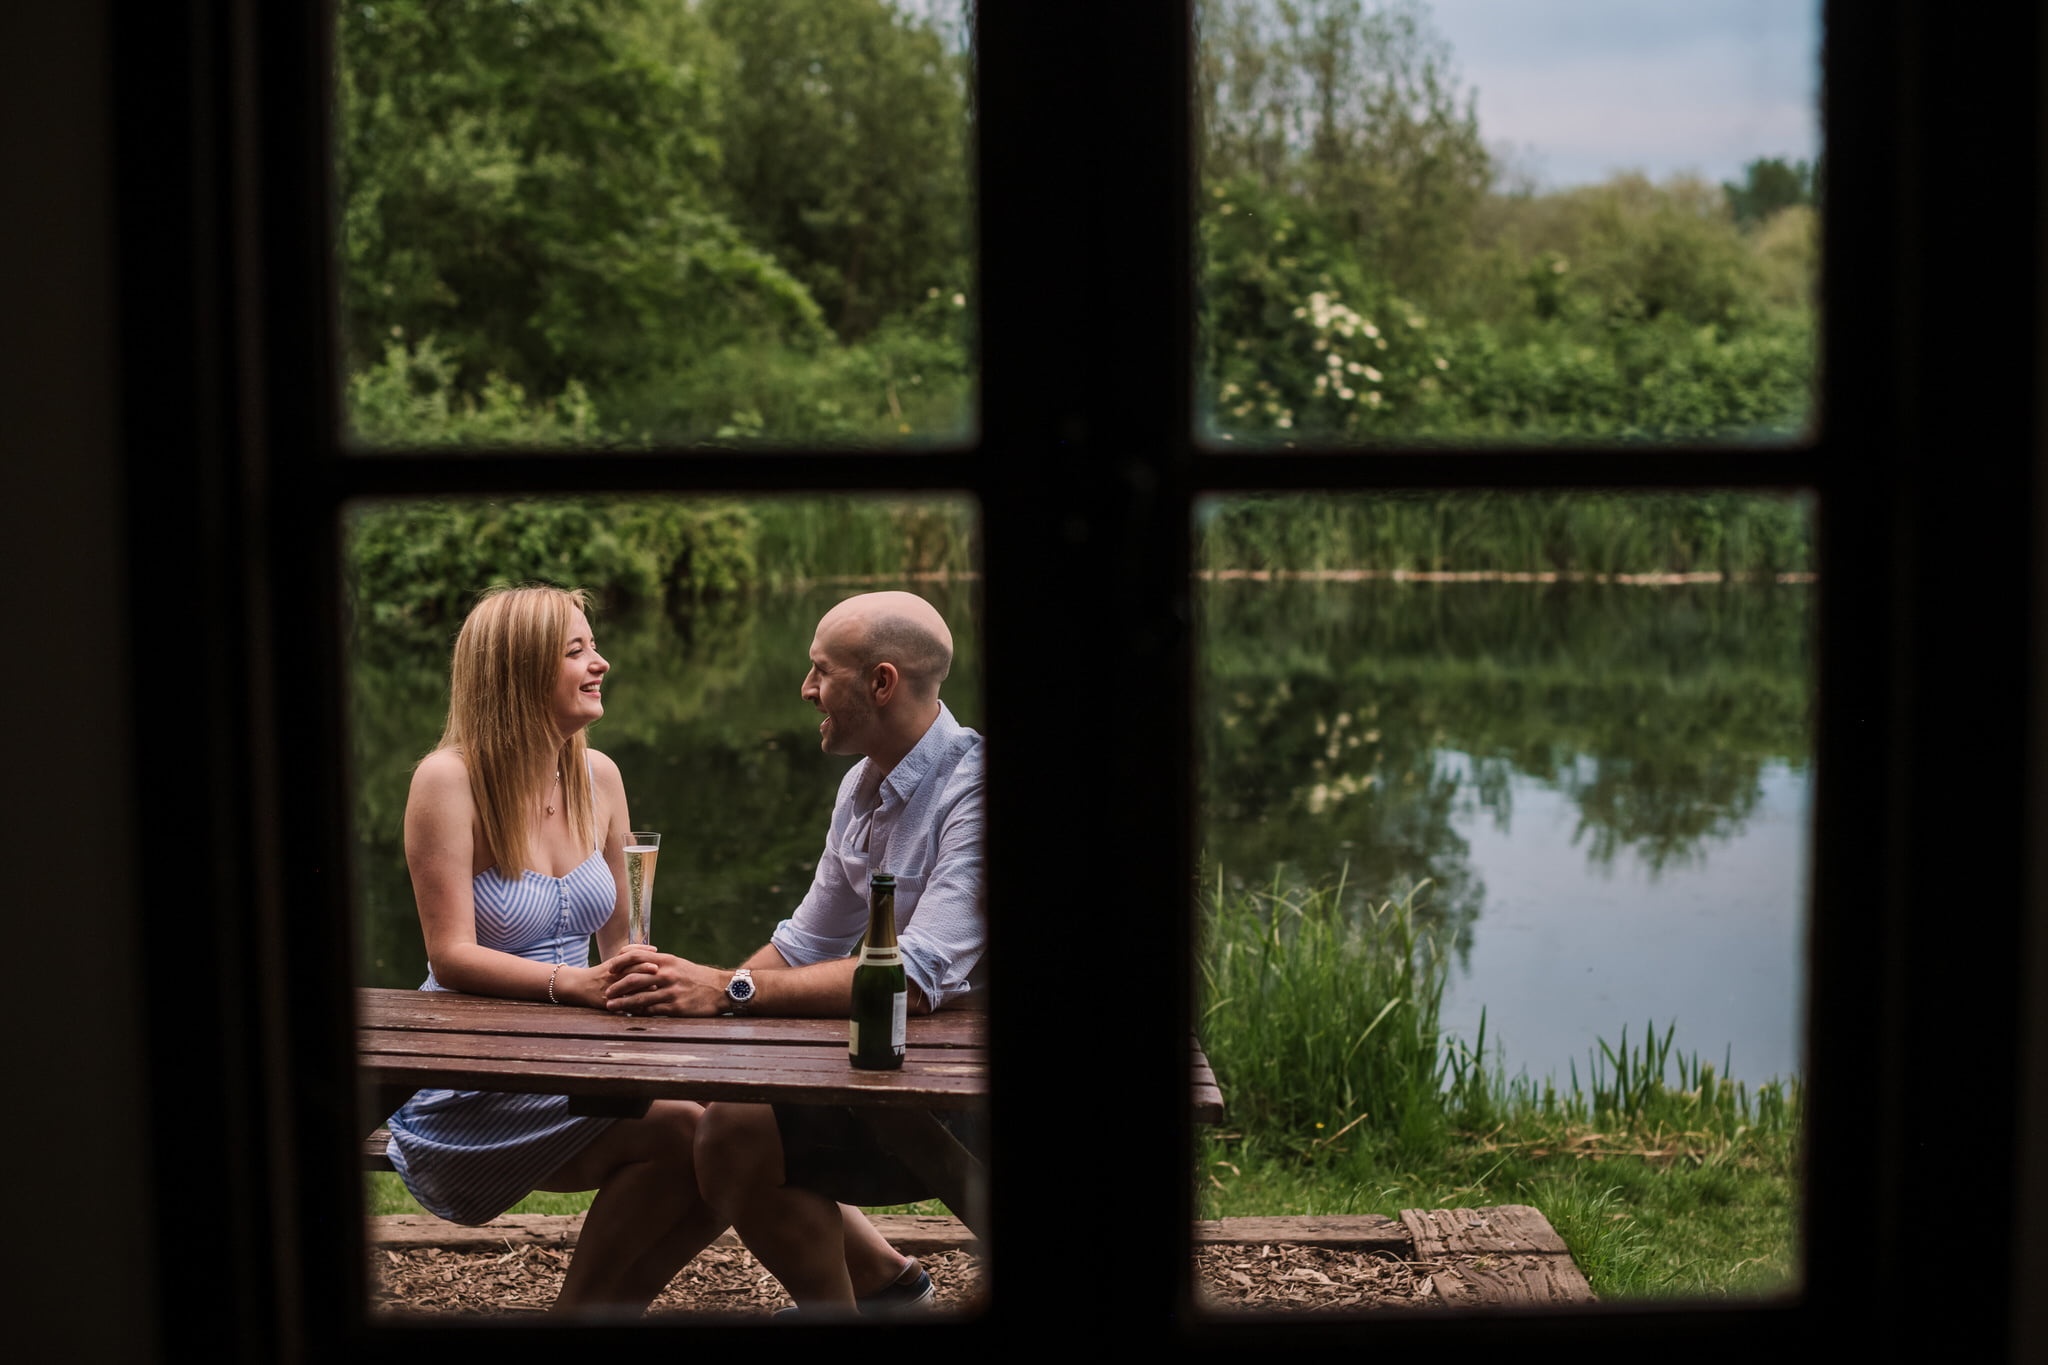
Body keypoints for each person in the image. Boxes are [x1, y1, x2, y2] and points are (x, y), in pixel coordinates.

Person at [601, 590, 986, 1315]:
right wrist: (683, 992)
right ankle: (881, 1287)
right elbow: (805, 941)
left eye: (820, 671)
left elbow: (920, 972)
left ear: (881, 682)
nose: (806, 689)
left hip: (962, 1096)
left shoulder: (974, 789)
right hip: (889, 1069)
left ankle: (850, 1303)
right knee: (718, 1106)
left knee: (734, 1134)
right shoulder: (863, 784)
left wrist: (729, 989)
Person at [382, 583, 727, 1312]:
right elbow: (450, 955)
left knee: (731, 1135)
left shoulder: (598, 776)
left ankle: (590, 1318)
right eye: (577, 650)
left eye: (592, 645)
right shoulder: (448, 780)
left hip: (582, 1057)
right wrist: (572, 985)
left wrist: (644, 972)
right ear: (518, 668)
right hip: (474, 1082)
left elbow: (622, 939)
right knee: (700, 1131)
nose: (600, 663)